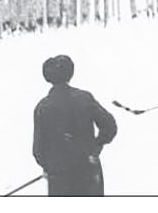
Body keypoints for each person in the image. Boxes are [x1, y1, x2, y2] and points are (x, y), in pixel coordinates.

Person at [33, 55, 117, 196]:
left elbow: (38, 150)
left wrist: (48, 167)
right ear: (70, 73)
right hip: (88, 172)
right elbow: (109, 126)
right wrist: (95, 148)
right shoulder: (84, 98)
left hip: (59, 179)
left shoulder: (42, 108)